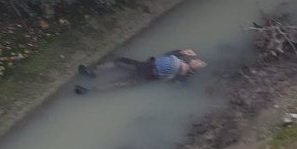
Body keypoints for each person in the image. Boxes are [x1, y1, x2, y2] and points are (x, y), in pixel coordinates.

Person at [75, 49, 207, 94]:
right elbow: (166, 55)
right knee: (118, 61)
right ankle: (92, 73)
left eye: (200, 63)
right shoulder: (180, 59)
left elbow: (175, 83)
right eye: (198, 59)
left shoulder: (186, 74)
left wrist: (186, 72)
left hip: (145, 77)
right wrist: (181, 51)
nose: (197, 61)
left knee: (116, 84)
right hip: (142, 66)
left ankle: (88, 91)